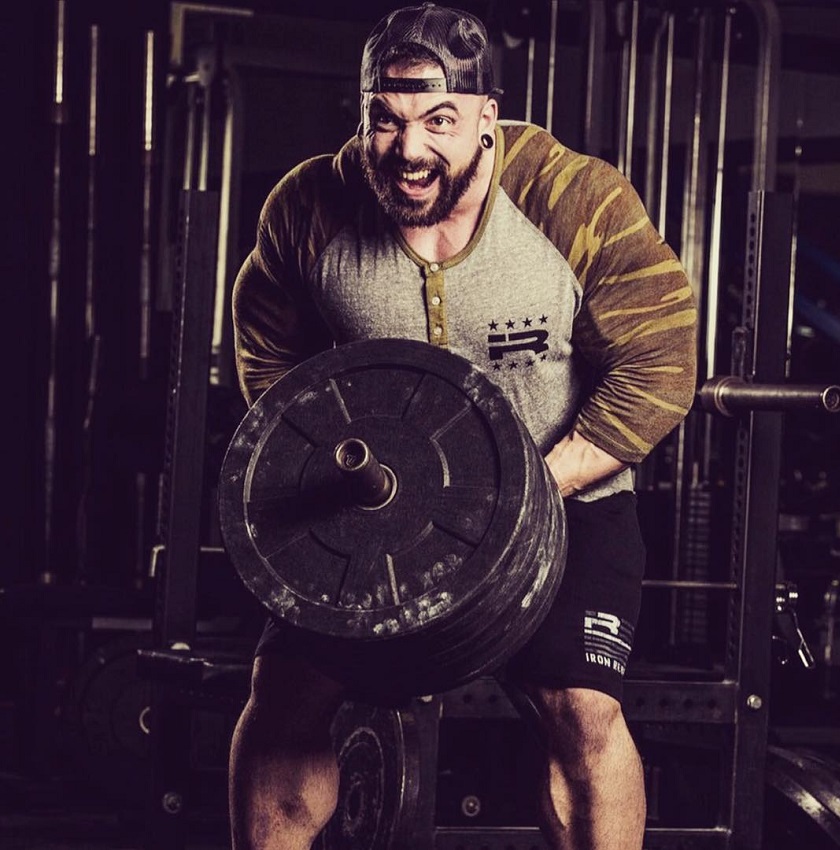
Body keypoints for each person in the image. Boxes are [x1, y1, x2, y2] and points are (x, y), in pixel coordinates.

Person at [227, 4, 697, 849]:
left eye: (440, 121)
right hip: (374, 510)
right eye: (388, 120)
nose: (410, 152)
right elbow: (269, 350)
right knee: (283, 697)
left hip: (565, 499)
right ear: (363, 113)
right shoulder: (310, 208)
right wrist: (315, 463)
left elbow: (660, 363)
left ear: (489, 116)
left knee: (583, 710)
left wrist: (517, 491)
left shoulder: (572, 196)